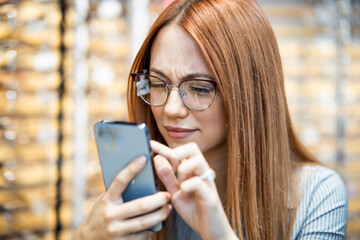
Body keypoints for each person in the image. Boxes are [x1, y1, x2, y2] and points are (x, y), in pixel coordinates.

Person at [73, 0, 348, 239]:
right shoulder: (146, 194)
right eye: (158, 83)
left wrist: (218, 234)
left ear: (251, 93)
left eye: (199, 89)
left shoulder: (317, 195)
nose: (171, 109)